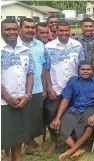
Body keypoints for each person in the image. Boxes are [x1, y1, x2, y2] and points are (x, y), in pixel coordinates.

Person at [50, 60, 94, 160]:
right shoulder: (73, 80)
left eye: (88, 69)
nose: (85, 71)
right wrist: (57, 118)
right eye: (83, 69)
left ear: (92, 70)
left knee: (90, 125)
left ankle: (71, 150)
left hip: (90, 108)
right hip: (74, 109)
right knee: (59, 125)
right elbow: (65, 99)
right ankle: (79, 149)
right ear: (79, 70)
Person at [44, 21, 85, 153]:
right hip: (56, 88)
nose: (63, 33)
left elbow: (81, 67)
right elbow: (46, 69)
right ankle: (54, 142)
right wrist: (49, 88)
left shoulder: (77, 45)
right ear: (55, 31)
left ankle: (71, 141)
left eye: (66, 30)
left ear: (70, 31)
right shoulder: (49, 47)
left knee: (72, 115)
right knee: (52, 115)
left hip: (74, 89)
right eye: (60, 31)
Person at [1, 19, 35, 161]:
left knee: (18, 135)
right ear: (2, 31)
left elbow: (30, 73)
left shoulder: (25, 50)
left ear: (18, 30)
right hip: (3, 103)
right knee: (4, 136)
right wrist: (8, 98)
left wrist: (27, 95)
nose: (11, 32)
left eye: (14, 29)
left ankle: (17, 158)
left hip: (21, 101)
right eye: (7, 29)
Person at [18, 18, 47, 156]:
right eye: (27, 27)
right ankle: (9, 151)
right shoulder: (14, 44)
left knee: (34, 118)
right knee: (17, 120)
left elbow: (43, 68)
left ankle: (29, 145)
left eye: (32, 27)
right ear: (20, 28)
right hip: (17, 90)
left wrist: (45, 88)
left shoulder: (40, 45)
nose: (30, 29)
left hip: (37, 88)